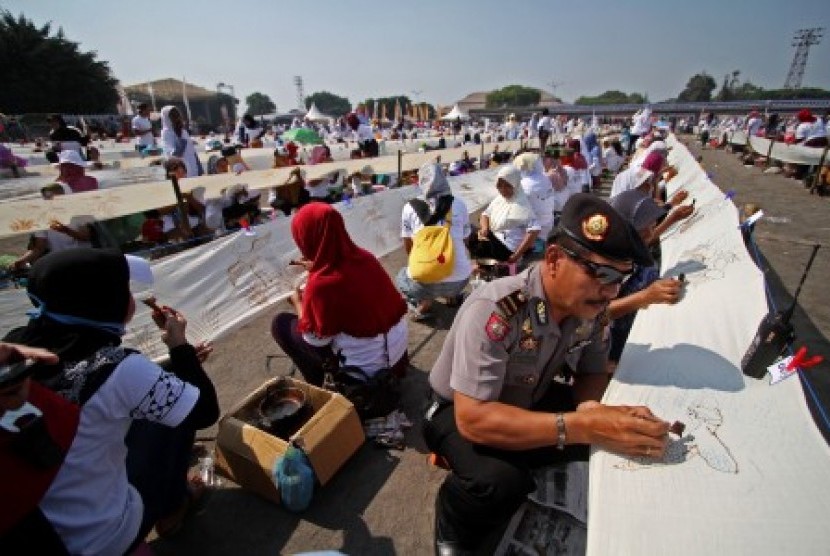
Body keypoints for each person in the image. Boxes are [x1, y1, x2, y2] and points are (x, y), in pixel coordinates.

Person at [422, 194, 671, 554]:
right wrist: (577, 426)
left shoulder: (590, 309)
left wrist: (589, 410)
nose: (611, 291)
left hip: (529, 396)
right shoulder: (497, 309)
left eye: (622, 277)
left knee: (616, 433)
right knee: (500, 482)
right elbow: (473, 418)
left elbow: (592, 371)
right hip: (455, 409)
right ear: (554, 259)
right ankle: (454, 517)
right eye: (601, 273)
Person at [2, 248, 219, 554]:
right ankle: (172, 507)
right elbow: (205, 412)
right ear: (102, 301)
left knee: (162, 397)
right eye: (124, 290)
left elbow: (94, 390)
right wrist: (179, 346)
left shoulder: (16, 351)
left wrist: (167, 370)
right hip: (103, 535)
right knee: (178, 408)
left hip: (41, 527)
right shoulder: (121, 367)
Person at [271, 203, 409, 387]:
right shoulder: (366, 258)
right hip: (398, 360)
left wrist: (298, 302)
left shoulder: (321, 284)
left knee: (281, 325)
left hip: (368, 376)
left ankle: (323, 385)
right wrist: (317, 266)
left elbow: (314, 340)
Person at [606, 189, 692, 369]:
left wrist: (673, 218)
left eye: (652, 224)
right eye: (645, 226)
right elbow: (599, 314)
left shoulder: (631, 245)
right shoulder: (609, 263)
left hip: (633, 325)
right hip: (612, 339)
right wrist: (646, 296)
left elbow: (645, 240)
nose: (651, 229)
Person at [396, 163, 472, 321]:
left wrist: (424, 263)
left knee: (402, 276)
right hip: (459, 281)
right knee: (456, 262)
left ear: (421, 181)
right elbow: (466, 239)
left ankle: (423, 302)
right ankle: (451, 296)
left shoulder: (409, 207)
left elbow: (408, 247)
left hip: (423, 284)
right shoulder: (459, 204)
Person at [11, 184, 96, 271]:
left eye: (54, 198)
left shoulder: (79, 213)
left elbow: (87, 237)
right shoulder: (42, 217)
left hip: (83, 257)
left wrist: (66, 230)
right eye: (47, 198)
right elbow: (39, 248)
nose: (50, 202)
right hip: (59, 260)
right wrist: (22, 260)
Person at [468, 165, 540, 264]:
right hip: (495, 239)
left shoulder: (523, 205)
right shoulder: (499, 200)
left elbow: (534, 230)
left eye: (507, 186)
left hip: (507, 248)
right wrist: (484, 229)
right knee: (469, 233)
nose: (503, 189)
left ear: (515, 185)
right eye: (500, 186)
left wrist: (516, 255)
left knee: (477, 243)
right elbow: (485, 215)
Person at [160, 105, 203, 177]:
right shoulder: (167, 133)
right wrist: (180, 138)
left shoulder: (183, 131)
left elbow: (192, 151)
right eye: (173, 116)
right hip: (180, 169)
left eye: (177, 115)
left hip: (192, 165)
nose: (176, 118)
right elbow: (173, 155)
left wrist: (199, 167)